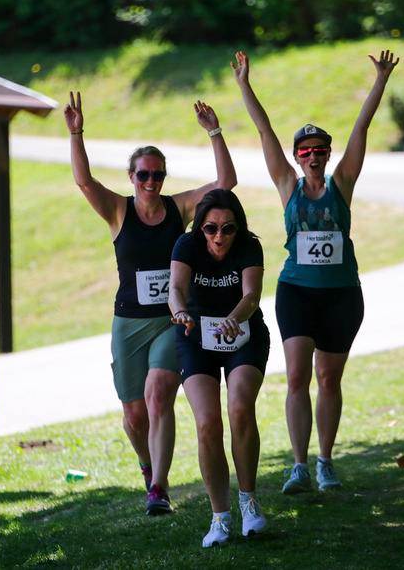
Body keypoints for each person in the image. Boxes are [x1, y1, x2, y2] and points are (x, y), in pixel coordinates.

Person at [231, 48, 399, 494]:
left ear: (327, 154)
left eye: (319, 150)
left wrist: (380, 79)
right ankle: (299, 466)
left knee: (329, 378)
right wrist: (244, 84)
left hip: (342, 294)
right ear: (296, 156)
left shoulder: (342, 182)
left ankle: (325, 462)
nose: (312, 156)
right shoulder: (288, 186)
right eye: (304, 151)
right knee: (298, 376)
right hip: (297, 292)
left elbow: (361, 128)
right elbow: (263, 129)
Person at [64, 92, 236, 515]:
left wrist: (214, 131)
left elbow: (225, 183)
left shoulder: (180, 208)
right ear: (131, 176)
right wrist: (76, 133)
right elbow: (84, 181)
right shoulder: (118, 211)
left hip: (172, 319)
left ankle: (158, 488)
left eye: (157, 175)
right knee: (135, 415)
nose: (150, 183)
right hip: (129, 323)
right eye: (143, 175)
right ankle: (146, 465)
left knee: (159, 394)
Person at [168, 188, 271, 547]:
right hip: (195, 336)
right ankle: (220, 517)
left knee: (240, 408)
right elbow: (175, 289)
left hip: (242, 335)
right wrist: (179, 310)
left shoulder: (249, 246)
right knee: (208, 423)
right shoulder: (187, 245)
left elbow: (252, 296)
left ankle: (249, 501)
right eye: (211, 229)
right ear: (200, 227)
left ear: (238, 227)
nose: (219, 237)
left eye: (228, 229)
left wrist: (232, 319)